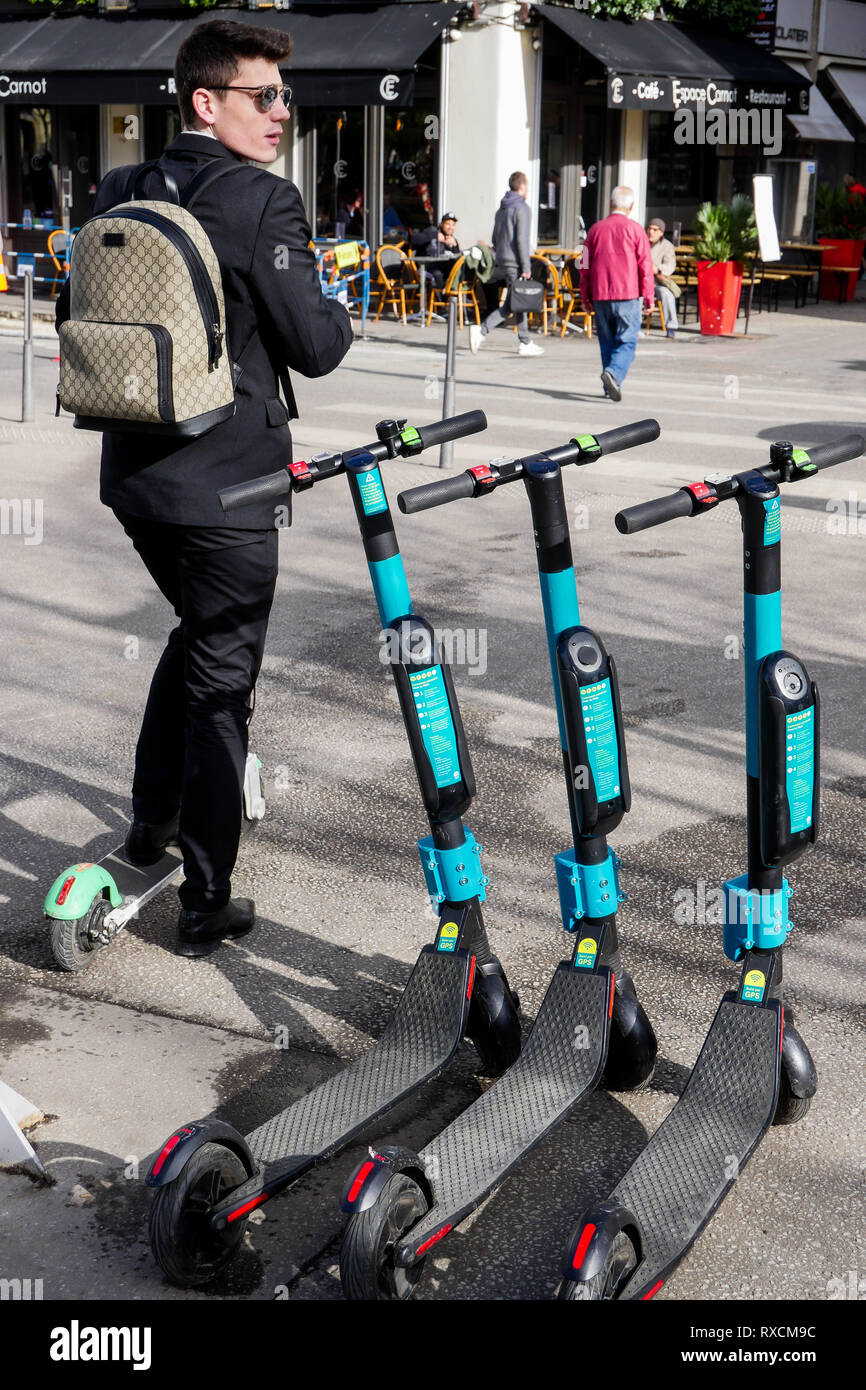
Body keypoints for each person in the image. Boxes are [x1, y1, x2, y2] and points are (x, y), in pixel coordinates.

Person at [55, 20, 352, 957]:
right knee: (225, 681)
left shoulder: (118, 188)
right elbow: (316, 347)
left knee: (195, 644)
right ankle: (205, 896)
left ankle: (149, 828)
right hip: (229, 491)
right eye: (262, 96)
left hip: (134, 480)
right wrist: (334, 300)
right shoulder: (265, 201)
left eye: (283, 98)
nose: (279, 113)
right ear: (205, 101)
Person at [579, 186, 654, 401]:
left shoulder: (594, 230)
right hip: (627, 294)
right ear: (631, 206)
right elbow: (645, 267)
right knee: (627, 341)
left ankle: (609, 385)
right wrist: (649, 297)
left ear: (611, 204)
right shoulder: (637, 230)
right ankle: (613, 374)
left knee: (607, 342)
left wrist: (585, 295)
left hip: (601, 293)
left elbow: (583, 264)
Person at [469, 171, 544, 358]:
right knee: (514, 303)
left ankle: (524, 341)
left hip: (502, 260)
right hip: (516, 262)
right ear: (522, 186)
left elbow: (495, 237)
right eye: (527, 185)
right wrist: (526, 267)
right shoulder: (522, 209)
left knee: (516, 302)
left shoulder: (501, 209)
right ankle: (483, 331)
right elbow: (522, 240)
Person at [646, 217, 679, 339]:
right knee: (633, 294)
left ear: (661, 233)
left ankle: (671, 327)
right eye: (650, 228)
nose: (651, 232)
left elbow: (670, 266)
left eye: (655, 230)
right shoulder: (641, 242)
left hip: (656, 283)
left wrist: (657, 268)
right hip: (639, 281)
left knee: (666, 294)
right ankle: (633, 325)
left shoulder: (667, 246)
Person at [410, 211, 460, 288]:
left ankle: (454, 296)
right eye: (448, 224)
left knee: (457, 273)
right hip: (426, 268)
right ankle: (442, 298)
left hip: (442, 268)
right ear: (441, 224)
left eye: (453, 225)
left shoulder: (453, 240)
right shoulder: (432, 231)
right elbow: (413, 239)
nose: (451, 227)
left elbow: (457, 260)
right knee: (438, 275)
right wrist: (434, 235)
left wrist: (455, 246)